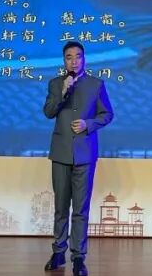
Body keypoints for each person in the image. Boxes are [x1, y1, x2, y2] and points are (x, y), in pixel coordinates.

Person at [42, 41, 114, 276]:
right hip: (61, 153)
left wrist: (88, 124)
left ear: (84, 59)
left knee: (81, 209)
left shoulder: (95, 84)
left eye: (78, 56)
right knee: (61, 207)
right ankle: (58, 251)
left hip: (85, 154)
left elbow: (107, 114)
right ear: (64, 60)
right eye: (69, 57)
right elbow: (48, 112)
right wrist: (63, 91)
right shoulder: (55, 84)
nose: (74, 61)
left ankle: (79, 257)